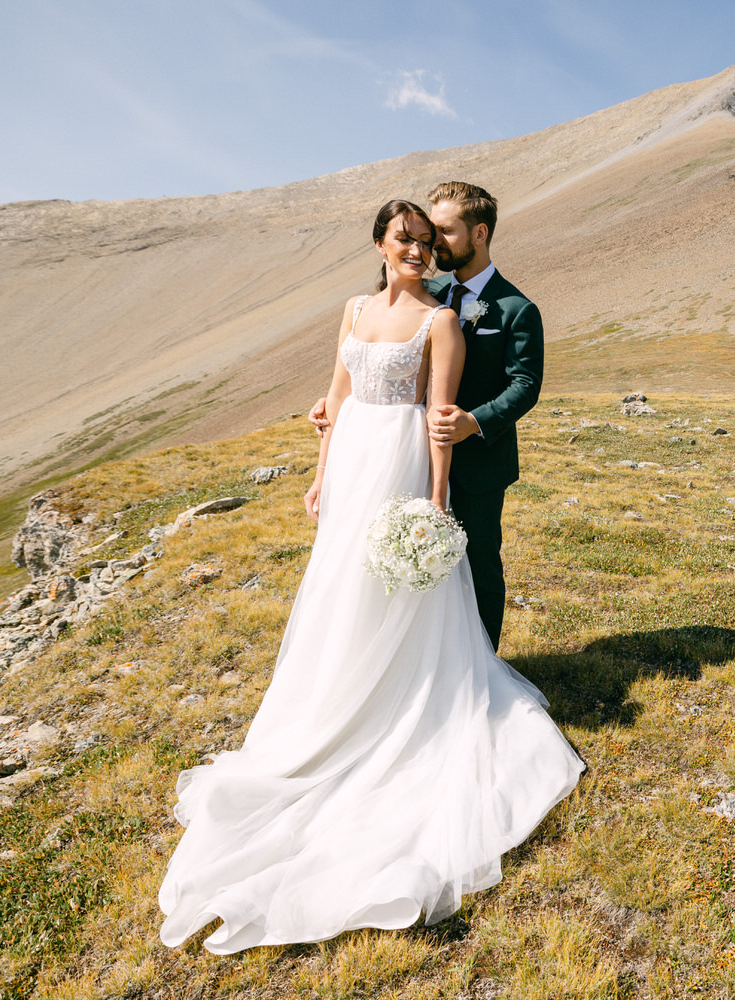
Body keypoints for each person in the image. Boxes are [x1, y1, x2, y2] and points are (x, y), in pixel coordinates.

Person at [157, 200, 584, 954]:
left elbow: (487, 395)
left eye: (434, 237)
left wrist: (437, 493)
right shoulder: (360, 304)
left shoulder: (478, 311)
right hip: (356, 460)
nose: (424, 248)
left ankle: (442, 687)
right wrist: (324, 457)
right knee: (343, 589)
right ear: (381, 244)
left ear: (470, 236)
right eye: (411, 238)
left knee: (448, 579)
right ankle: (338, 695)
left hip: (420, 459)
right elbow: (343, 386)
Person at [311, 181, 539, 652]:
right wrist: (340, 402)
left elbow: (525, 386)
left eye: (443, 232)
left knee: (476, 564)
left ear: (479, 234)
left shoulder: (516, 308)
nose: (431, 244)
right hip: (406, 457)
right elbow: (378, 346)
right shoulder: (426, 290)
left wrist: (472, 421)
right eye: (426, 233)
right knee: (395, 559)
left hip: (477, 460)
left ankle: (482, 662)